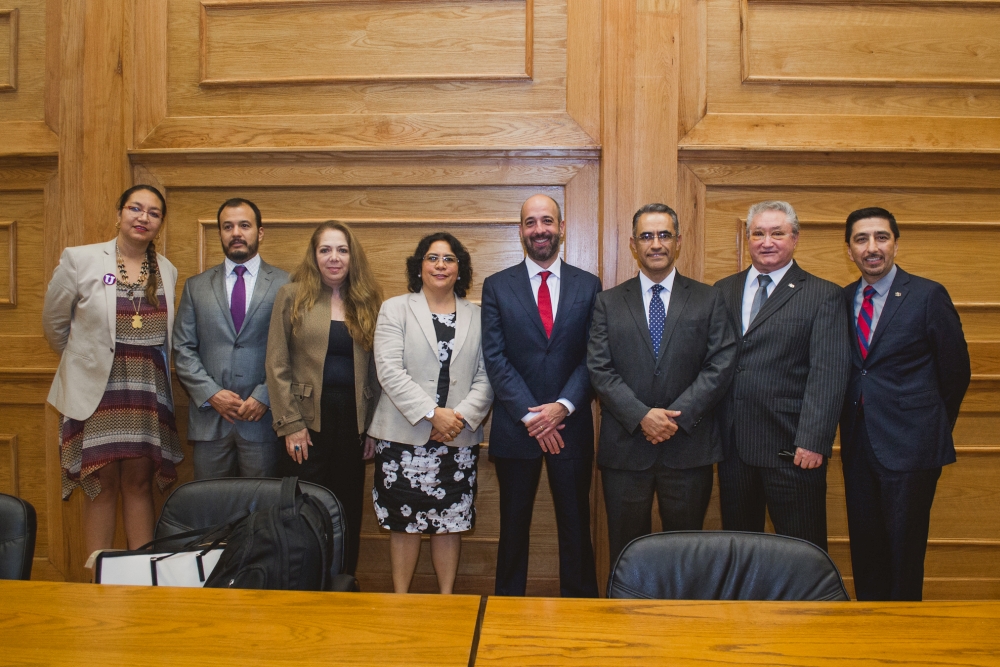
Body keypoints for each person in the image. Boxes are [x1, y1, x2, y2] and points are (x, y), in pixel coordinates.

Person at [588, 203, 737, 568]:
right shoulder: (607, 302)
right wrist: (641, 416)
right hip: (625, 449)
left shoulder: (709, 298)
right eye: (646, 236)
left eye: (664, 235)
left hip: (688, 447)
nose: (656, 244)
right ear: (633, 244)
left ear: (678, 241)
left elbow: (720, 363)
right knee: (626, 554)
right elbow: (599, 368)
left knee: (686, 555)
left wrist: (673, 418)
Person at [42, 184, 183, 559]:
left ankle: (141, 580)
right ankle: (99, 583)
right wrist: (86, 359)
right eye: (135, 208)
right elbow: (54, 324)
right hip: (97, 390)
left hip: (146, 390)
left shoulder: (167, 269)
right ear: (119, 213)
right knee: (101, 486)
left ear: (160, 223)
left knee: (139, 484)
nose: (143, 217)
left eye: (153, 213)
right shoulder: (81, 259)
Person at [840, 207, 970, 600]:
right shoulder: (841, 299)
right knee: (866, 550)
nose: (872, 247)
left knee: (904, 553)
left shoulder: (927, 295)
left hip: (912, 448)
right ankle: (871, 625)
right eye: (861, 239)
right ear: (849, 250)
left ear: (896, 244)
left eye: (881, 237)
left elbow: (956, 372)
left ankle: (905, 629)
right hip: (859, 445)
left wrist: (928, 428)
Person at [482, 194, 602, 598]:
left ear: (561, 228)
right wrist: (533, 416)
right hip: (517, 428)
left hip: (571, 426)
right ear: (520, 231)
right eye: (530, 222)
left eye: (547, 221)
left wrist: (562, 407)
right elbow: (495, 358)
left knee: (576, 526)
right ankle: (506, 610)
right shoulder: (497, 286)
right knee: (513, 528)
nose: (539, 229)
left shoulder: (589, 285)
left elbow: (593, 356)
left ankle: (580, 609)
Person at [714, 200, 850, 551]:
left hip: (792, 448)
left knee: (802, 550)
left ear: (795, 238)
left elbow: (829, 373)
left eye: (777, 233)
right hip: (733, 448)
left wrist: (814, 440)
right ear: (747, 238)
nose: (767, 242)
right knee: (741, 548)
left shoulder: (822, 295)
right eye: (757, 233)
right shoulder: (722, 290)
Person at [368, 232, 494, 594]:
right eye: (432, 257)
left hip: (457, 436)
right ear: (419, 266)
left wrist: (457, 417)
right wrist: (431, 413)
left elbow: (488, 374)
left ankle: (446, 600)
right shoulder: (395, 309)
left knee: (450, 522)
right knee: (403, 523)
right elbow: (389, 370)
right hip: (403, 437)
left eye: (449, 259)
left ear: (460, 269)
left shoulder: (479, 316)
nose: (441, 265)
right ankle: (401, 600)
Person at [265, 221, 382, 576]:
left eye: (342, 250)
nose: (334, 257)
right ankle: (302, 582)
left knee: (346, 509)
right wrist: (290, 425)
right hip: (304, 421)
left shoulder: (368, 300)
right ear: (314, 255)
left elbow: (377, 370)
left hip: (352, 422)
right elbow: (276, 363)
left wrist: (372, 428)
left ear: (352, 256)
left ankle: (342, 581)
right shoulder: (291, 295)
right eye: (326, 250)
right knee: (303, 508)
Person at [173, 198, 289, 479]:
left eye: (244, 225)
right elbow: (183, 348)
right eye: (228, 227)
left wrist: (264, 396)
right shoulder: (196, 287)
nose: (236, 232)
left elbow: (295, 349)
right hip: (210, 421)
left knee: (261, 503)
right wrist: (211, 394)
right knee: (210, 503)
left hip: (263, 420)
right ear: (220, 234)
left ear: (260, 232)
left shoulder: (287, 284)